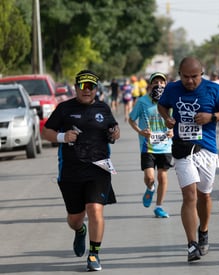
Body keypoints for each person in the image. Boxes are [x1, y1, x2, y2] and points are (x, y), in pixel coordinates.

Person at [157, 56, 219, 262]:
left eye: (194, 77)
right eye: (186, 77)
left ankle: (203, 230)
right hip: (183, 149)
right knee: (190, 195)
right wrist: (167, 118)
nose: (190, 81)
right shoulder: (172, 89)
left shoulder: (214, 89)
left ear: (201, 74)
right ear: (180, 75)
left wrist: (212, 117)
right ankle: (191, 244)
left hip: (207, 150)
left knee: (204, 195)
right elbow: (162, 105)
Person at [42, 70, 121, 271]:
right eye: (83, 86)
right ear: (76, 87)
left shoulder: (103, 108)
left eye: (91, 87)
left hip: (99, 168)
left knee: (95, 209)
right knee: (75, 218)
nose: (87, 90)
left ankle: (94, 255)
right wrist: (62, 137)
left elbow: (113, 129)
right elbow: (45, 132)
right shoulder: (64, 108)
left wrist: (114, 133)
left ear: (96, 89)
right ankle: (80, 230)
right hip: (71, 170)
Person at [128, 72, 173, 218]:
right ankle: (150, 188)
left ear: (165, 85)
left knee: (163, 176)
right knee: (150, 178)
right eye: (156, 82)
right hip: (147, 146)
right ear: (150, 84)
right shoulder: (142, 102)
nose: (159, 85)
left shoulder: (170, 102)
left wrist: (173, 131)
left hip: (166, 145)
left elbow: (176, 121)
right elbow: (131, 120)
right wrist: (141, 132)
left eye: (162, 82)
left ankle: (159, 206)